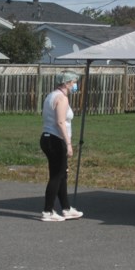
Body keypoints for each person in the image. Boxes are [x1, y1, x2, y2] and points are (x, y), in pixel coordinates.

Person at [39, 71, 84, 222]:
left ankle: (66, 208)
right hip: (55, 140)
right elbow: (60, 122)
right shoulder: (62, 98)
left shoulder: (51, 95)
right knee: (57, 175)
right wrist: (68, 144)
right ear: (66, 83)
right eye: (73, 82)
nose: (75, 85)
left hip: (48, 138)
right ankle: (47, 211)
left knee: (62, 173)